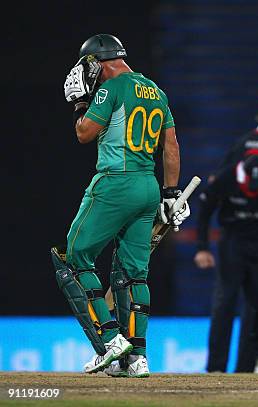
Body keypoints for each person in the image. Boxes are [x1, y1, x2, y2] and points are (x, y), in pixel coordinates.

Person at [56, 34, 189, 378]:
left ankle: (111, 338)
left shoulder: (110, 88)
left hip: (116, 182)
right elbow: (171, 146)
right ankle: (139, 357)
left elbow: (84, 134)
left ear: (98, 62)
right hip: (148, 187)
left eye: (90, 67)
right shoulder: (156, 91)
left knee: (76, 257)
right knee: (134, 273)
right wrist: (170, 192)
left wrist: (79, 103)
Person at [194, 91, 258, 373]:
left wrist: (203, 244)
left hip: (233, 237)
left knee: (224, 302)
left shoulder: (240, 143)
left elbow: (215, 185)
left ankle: (215, 368)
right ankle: (251, 366)